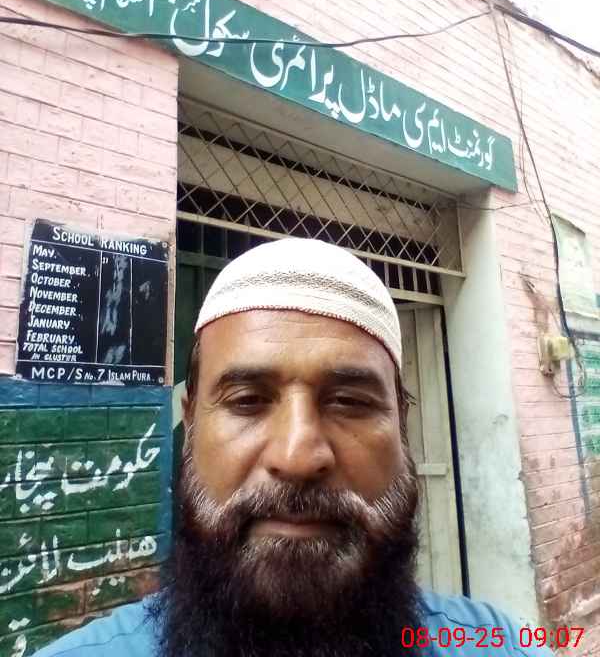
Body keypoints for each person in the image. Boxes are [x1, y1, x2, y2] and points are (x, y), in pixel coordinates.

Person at [34, 238, 551, 657]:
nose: (298, 457)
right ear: (190, 425)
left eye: (349, 402)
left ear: (402, 426)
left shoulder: (501, 644)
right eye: (247, 401)